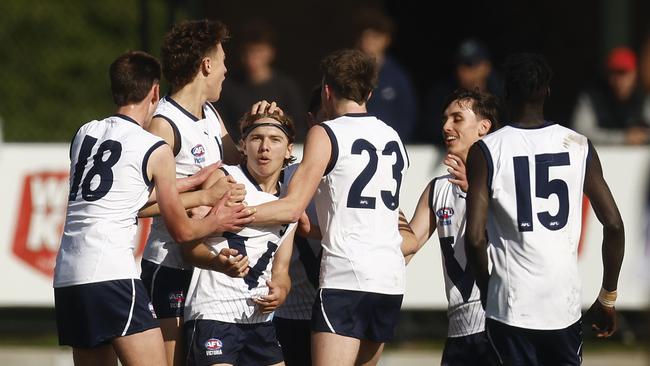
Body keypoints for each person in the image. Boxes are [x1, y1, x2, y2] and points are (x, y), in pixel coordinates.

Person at [53, 51, 253, 366]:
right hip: (112, 275)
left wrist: (191, 184)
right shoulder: (153, 148)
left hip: (68, 277)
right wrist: (218, 218)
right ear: (154, 92)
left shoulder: (84, 133)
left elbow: (123, 192)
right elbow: (183, 230)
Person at [465, 53, 625, 366]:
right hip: (561, 305)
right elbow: (614, 225)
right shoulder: (578, 144)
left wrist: (488, 292)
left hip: (511, 306)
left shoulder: (486, 150)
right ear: (547, 92)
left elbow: (474, 238)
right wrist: (607, 297)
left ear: (506, 94)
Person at [252, 49, 410, 366]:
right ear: (368, 92)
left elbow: (292, 207)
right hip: (390, 279)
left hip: (346, 277)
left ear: (326, 91)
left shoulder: (326, 132)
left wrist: (232, 215)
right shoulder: (392, 136)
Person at [139, 19, 243, 366]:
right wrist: (203, 196)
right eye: (223, 60)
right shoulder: (164, 124)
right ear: (206, 65)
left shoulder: (210, 114)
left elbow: (238, 169)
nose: (227, 70)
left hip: (206, 263)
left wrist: (265, 126)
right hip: (171, 264)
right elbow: (142, 204)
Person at [182, 108, 298, 366]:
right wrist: (217, 263)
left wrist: (281, 291)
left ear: (289, 149)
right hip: (213, 314)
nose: (264, 147)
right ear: (243, 145)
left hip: (259, 321)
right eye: (256, 138)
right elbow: (188, 246)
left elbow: (281, 269)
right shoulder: (226, 179)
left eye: (274, 139)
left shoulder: (291, 199)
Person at [405, 88, 499, 366]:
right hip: (459, 331)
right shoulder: (438, 189)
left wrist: (477, 194)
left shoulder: (506, 179)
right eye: (445, 119)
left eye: (457, 118)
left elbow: (524, 234)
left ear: (484, 127)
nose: (446, 126)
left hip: (500, 324)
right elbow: (407, 246)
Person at [273, 86, 324, 366]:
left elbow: (403, 237)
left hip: (339, 309)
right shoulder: (283, 176)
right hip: (288, 313)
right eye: (326, 121)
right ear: (311, 122)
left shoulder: (364, 183)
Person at [216, 19, 305, 141]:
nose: (254, 57)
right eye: (249, 51)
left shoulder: (286, 88)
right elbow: (222, 127)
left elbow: (298, 127)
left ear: (271, 52)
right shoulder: (227, 87)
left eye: (259, 51)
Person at [421, 38, 504, 146]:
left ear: (485, 67)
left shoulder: (503, 95)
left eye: (470, 65)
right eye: (459, 65)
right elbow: (430, 127)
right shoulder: (443, 94)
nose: (462, 71)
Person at [354, 8, 418, 142]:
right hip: (353, 143)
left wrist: (395, 141)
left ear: (386, 39)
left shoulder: (397, 76)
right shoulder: (349, 72)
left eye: (375, 36)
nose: (369, 41)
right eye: (365, 35)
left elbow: (408, 115)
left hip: (388, 146)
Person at [571, 46, 650, 145]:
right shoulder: (592, 97)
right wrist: (623, 137)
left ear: (634, 73)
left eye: (623, 73)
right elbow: (580, 132)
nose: (618, 79)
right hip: (599, 157)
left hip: (637, 158)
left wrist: (642, 136)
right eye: (613, 72)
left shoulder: (643, 96)